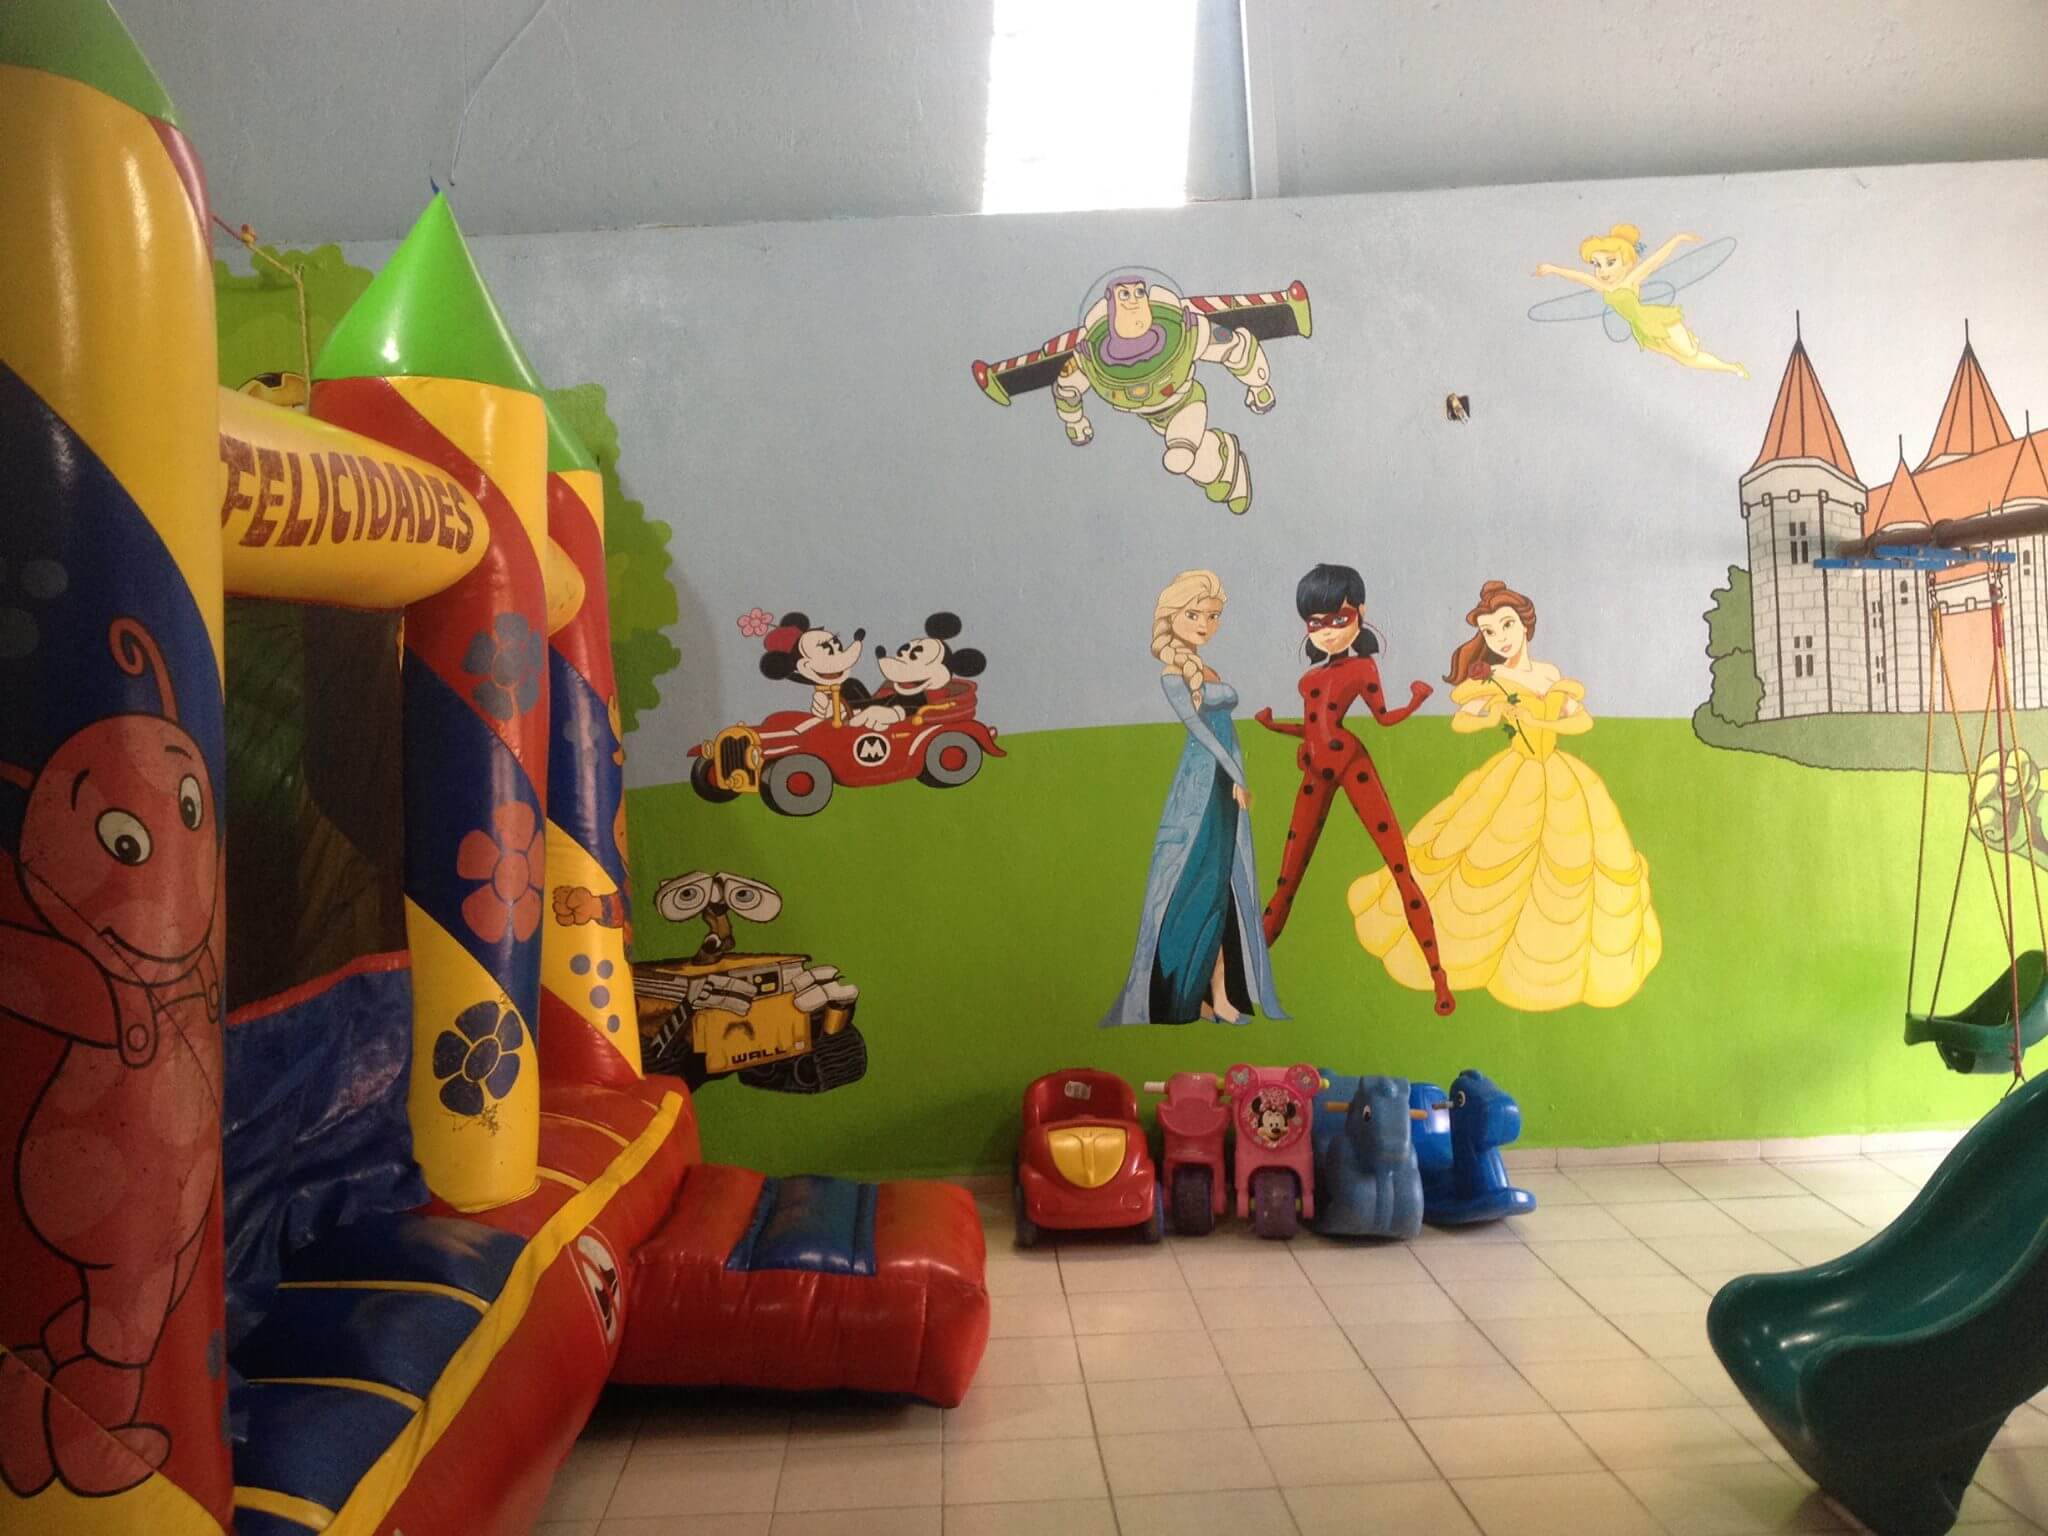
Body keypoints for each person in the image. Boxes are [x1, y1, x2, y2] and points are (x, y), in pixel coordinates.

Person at [1349, 581, 1662, 1010]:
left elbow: (1581, 721)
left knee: (1570, 861)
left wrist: (1543, 722)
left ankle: (1551, 955)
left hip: (1559, 774)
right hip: (1514, 773)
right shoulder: (1494, 680)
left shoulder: (1548, 674)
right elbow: (1462, 721)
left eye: (1507, 625)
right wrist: (1496, 711)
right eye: (1490, 631)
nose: (1500, 638)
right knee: (1489, 854)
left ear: (1526, 625)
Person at [1256, 563, 1454, 1016]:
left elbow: (1382, 717)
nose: (1327, 631)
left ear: (1360, 614)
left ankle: (1438, 977)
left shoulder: (1363, 667)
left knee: (1399, 865)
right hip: (1316, 769)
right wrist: (1274, 727)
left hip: (1351, 764)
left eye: (1339, 619)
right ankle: (1245, 970)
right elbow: (1313, 729)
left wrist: (1416, 700)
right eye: (1316, 624)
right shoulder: (1311, 679)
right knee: (1287, 877)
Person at [1104, 570, 1285, 1025]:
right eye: (1194, 614)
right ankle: (1186, 994)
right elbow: (1200, 732)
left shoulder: (1206, 669)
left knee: (1225, 890)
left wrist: (1235, 775)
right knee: (1199, 890)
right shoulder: (1173, 674)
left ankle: (1220, 994)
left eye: (1213, 616)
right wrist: (1235, 774)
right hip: (1203, 785)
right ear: (1171, 617)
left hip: (1225, 787)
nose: (1205, 624)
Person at [1534, 224, 1747, 378]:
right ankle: (1733, 367)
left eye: (1610, 262)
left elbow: (1654, 261)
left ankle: (1697, 343)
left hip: (1655, 320)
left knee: (1690, 353)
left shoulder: (1630, 280)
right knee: (1686, 360)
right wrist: (1552, 269)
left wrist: (1677, 239)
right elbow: (1579, 277)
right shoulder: (1603, 287)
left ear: (1627, 263)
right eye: (1597, 264)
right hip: (1641, 329)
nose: (1603, 271)